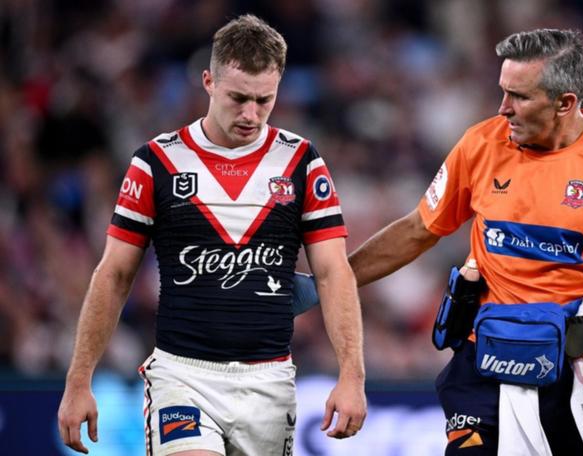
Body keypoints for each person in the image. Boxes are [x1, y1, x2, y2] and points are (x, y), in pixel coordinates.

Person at [300, 28, 583, 455]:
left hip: (581, 372)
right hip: (486, 365)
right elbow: (417, 231)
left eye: (519, 96)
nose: (503, 109)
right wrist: (326, 284)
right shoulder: (480, 144)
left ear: (565, 103)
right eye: (503, 92)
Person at [57, 14, 366, 456]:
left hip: (270, 382)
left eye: (265, 101)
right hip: (183, 378)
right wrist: (78, 381)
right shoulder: (156, 163)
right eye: (238, 98)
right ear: (208, 81)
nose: (250, 114)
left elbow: (335, 272)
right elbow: (114, 274)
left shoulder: (302, 162)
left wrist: (352, 376)